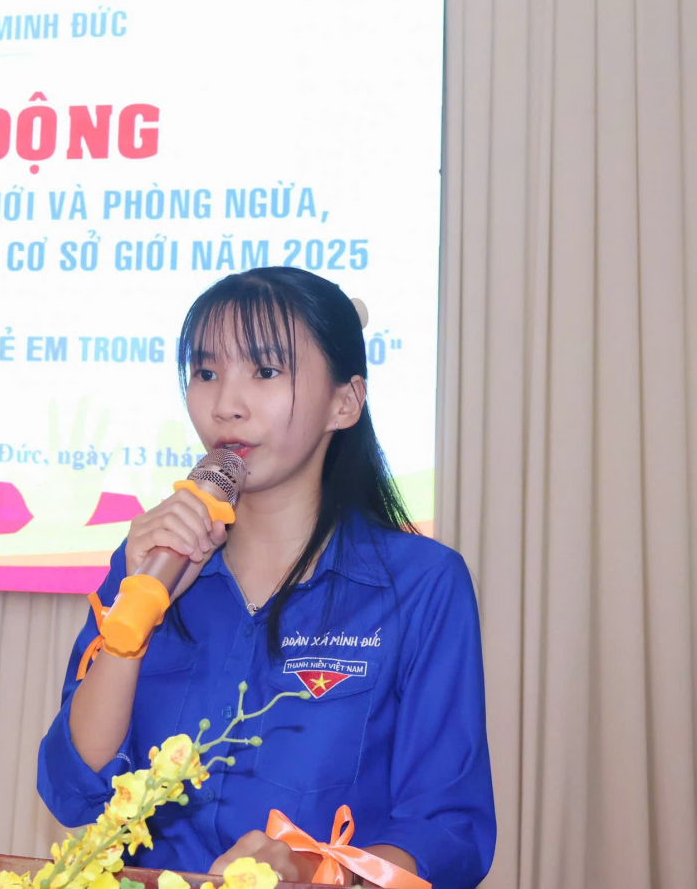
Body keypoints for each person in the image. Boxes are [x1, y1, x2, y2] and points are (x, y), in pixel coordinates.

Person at [37, 267, 495, 889]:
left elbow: (449, 833)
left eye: (266, 371)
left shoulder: (421, 585)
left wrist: (318, 871)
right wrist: (135, 615)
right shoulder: (150, 561)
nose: (226, 404)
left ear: (344, 403)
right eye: (206, 373)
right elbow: (73, 790)